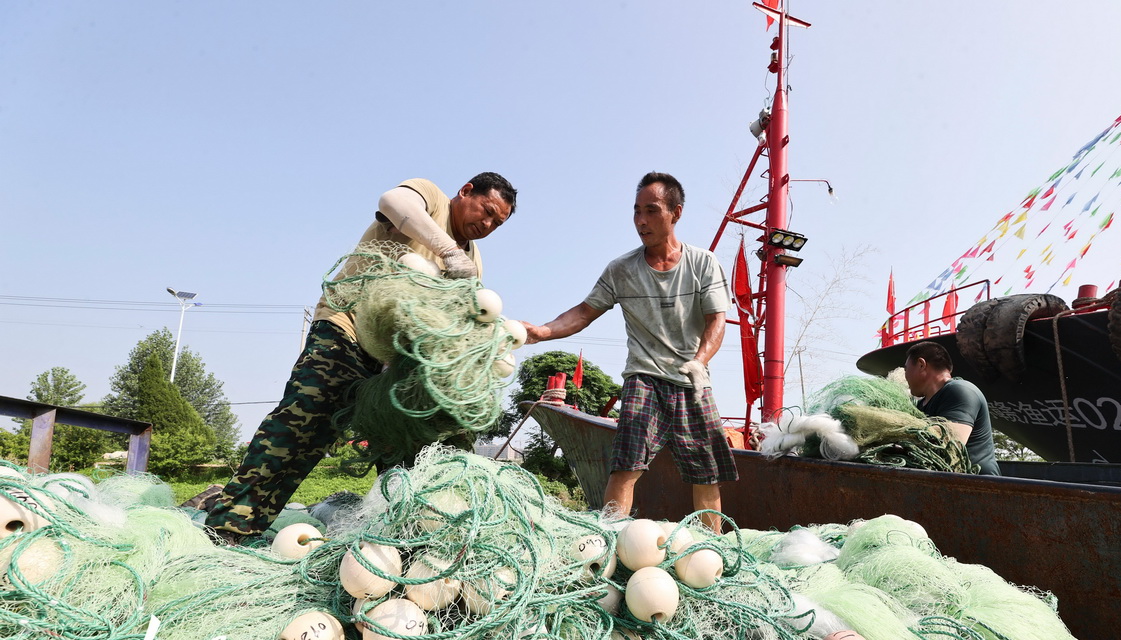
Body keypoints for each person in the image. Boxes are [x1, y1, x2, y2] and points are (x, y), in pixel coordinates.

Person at [205, 173, 518, 540]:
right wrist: (447, 250)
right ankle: (232, 525)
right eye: (486, 211)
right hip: (346, 328)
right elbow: (393, 202)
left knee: (409, 448)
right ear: (466, 191)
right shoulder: (431, 199)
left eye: (497, 223)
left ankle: (403, 539)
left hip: (395, 362)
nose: (487, 224)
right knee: (303, 424)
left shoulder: (473, 259)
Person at [523, 172, 737, 530]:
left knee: (706, 473)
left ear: (676, 213)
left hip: (692, 380)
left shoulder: (703, 262)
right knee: (625, 464)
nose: (641, 221)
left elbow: (717, 321)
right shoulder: (621, 270)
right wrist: (542, 331)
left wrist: (699, 362)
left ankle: (710, 548)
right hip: (644, 379)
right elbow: (583, 313)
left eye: (651, 210)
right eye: (636, 211)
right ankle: (607, 541)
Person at [903, 340, 1000, 475]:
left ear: (921, 365)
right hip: (946, 481)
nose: (905, 375)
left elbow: (951, 444)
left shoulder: (961, 390)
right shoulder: (921, 405)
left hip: (979, 482)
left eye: (906, 369)